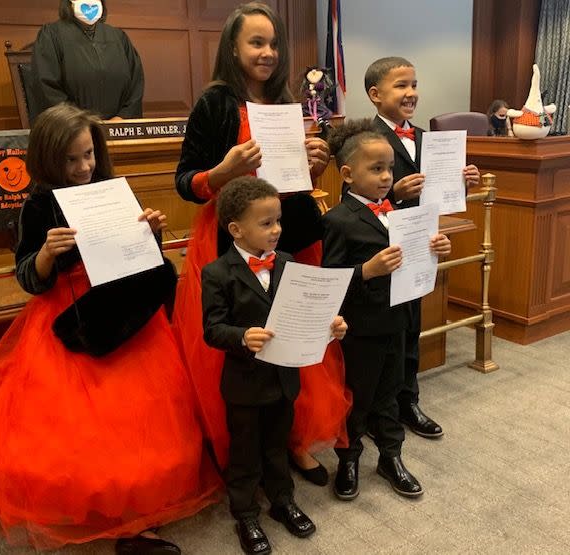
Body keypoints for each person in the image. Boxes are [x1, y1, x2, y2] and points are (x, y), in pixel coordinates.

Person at [0, 104, 221, 553]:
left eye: (89, 155)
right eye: (72, 160)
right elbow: (27, 277)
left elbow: (138, 253)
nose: (83, 167)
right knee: (92, 428)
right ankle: (113, 518)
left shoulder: (113, 190)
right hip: (72, 312)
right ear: (48, 159)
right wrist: (44, 254)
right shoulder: (39, 203)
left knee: (146, 420)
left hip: (127, 311)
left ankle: (136, 516)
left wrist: (150, 231)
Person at [174, 0, 350, 486]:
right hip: (235, 240)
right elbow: (184, 180)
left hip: (291, 232)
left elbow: (293, 182)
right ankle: (245, 452)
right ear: (232, 47)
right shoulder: (213, 103)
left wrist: (314, 167)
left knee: (297, 340)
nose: (268, 52)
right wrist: (222, 172)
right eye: (256, 42)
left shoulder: (287, 102)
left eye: (274, 43)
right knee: (249, 341)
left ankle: (294, 440)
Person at [202, 176, 347, 555]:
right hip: (245, 383)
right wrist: (240, 336)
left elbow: (301, 313)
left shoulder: (286, 262)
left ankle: (282, 500)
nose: (277, 230)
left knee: (277, 446)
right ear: (236, 229)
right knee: (246, 451)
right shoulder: (217, 274)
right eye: (266, 223)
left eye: (278, 221)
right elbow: (212, 329)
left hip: (284, 377)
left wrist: (329, 325)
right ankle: (246, 512)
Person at [323, 118, 452, 499]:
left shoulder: (399, 211)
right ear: (347, 174)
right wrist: (367, 270)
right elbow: (329, 280)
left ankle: (391, 456)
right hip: (361, 328)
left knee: (391, 392)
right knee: (357, 397)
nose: (385, 177)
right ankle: (349, 458)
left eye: (389, 168)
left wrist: (435, 248)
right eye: (375, 169)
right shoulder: (336, 221)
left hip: (398, 317)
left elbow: (413, 255)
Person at [364, 56, 480, 439]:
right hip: (382, 246)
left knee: (414, 322)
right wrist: (393, 194)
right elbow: (354, 196)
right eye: (401, 86)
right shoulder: (363, 141)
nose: (411, 93)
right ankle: (375, 409)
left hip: (420, 241)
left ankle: (408, 399)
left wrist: (463, 183)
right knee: (386, 331)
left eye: (414, 84)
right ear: (375, 95)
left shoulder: (428, 140)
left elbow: (440, 195)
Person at [30, 0, 144, 121]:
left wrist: (122, 117)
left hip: (117, 129)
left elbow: (136, 84)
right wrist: (80, 123)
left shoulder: (118, 37)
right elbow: (47, 88)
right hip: (72, 130)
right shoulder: (51, 35)